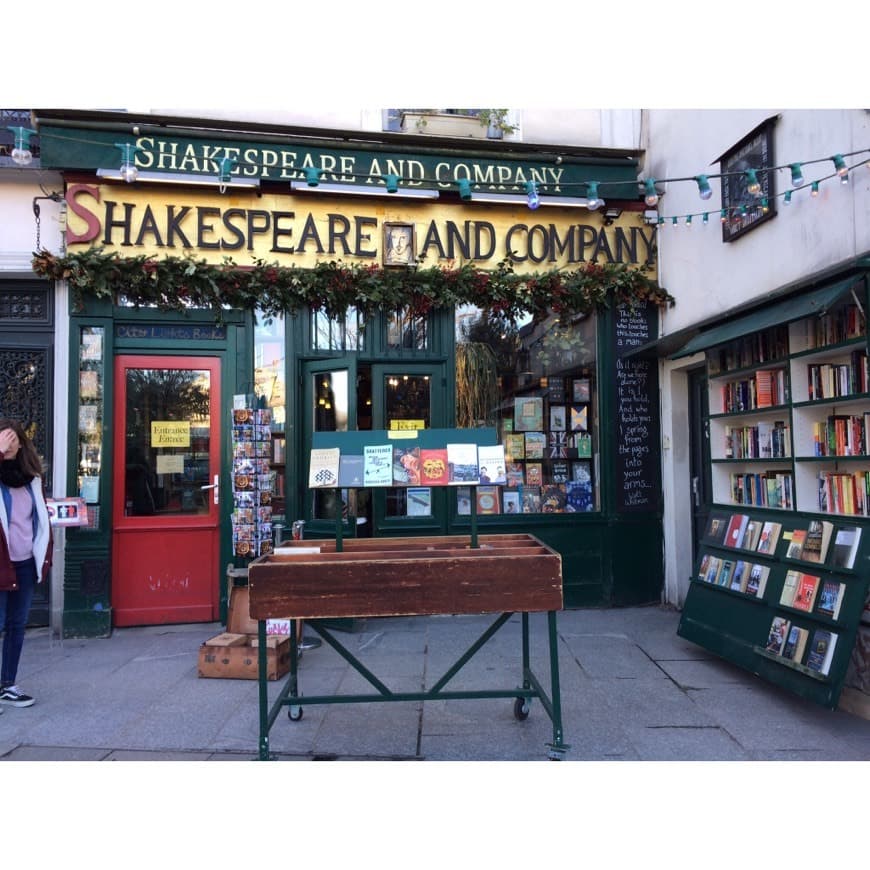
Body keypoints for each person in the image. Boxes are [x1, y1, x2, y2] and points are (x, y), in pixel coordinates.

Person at [0, 419, 52, 710]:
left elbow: (40, 522)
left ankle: (8, 684)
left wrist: (44, 556)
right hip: (1, 563)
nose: (7, 444)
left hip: (24, 563)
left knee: (16, 625)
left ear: (21, 442)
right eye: (2, 440)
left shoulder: (31, 478)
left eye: (11, 439)